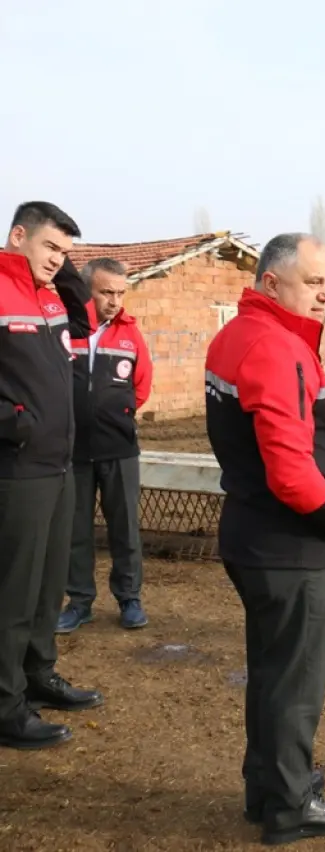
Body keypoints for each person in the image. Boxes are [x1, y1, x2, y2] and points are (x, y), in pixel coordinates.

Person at [204, 232, 325, 845]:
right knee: (295, 681)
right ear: (271, 282)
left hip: (254, 532)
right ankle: (292, 805)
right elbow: (289, 467)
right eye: (313, 282)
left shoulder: (238, 335)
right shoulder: (274, 348)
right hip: (287, 543)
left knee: (272, 672)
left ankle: (268, 787)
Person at [0, 201, 104, 751]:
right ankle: (5, 704)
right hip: (16, 465)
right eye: (49, 247)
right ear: (17, 235)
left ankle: (38, 674)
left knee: (45, 588)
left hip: (59, 462)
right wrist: (14, 422)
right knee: (13, 592)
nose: (57, 260)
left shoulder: (48, 296)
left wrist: (56, 265)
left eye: (65, 253)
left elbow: (86, 318)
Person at [57, 257, 154, 634]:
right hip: (73, 449)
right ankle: (79, 601)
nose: (115, 301)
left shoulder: (130, 334)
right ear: (87, 291)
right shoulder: (68, 329)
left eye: (120, 293)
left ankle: (129, 598)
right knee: (75, 529)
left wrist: (121, 414)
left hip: (119, 449)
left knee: (124, 528)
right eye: (106, 292)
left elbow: (141, 385)